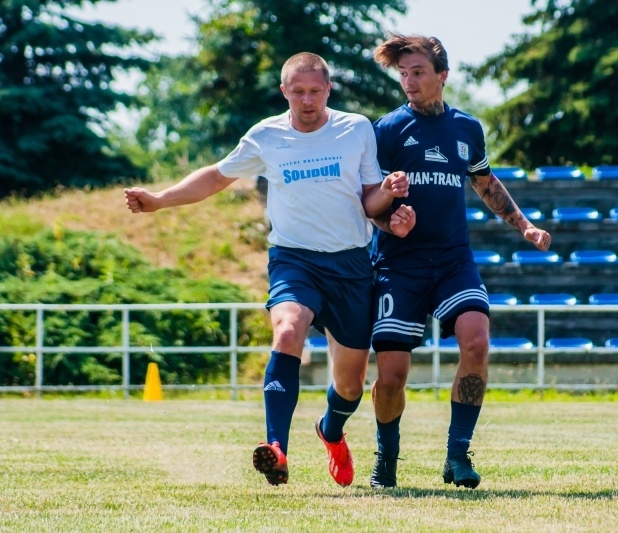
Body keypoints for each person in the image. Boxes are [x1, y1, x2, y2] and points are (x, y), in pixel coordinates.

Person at [124, 52, 415, 488]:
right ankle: (276, 448)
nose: (307, 100)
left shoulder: (355, 129)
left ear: (328, 90)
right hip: (293, 259)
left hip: (352, 264)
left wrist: (389, 198)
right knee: (286, 331)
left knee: (351, 384)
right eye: (298, 92)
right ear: (285, 92)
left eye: (315, 91)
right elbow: (216, 176)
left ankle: (330, 430)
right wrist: (161, 199)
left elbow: (369, 198)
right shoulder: (267, 136)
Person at [367, 34, 552, 489]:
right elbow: (367, 200)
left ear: (442, 76)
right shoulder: (386, 130)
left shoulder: (468, 128)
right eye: (403, 74)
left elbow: (486, 183)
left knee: (476, 342)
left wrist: (524, 225)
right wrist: (392, 218)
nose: (409, 82)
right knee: (391, 375)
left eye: (418, 73)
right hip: (398, 263)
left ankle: (458, 455)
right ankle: (386, 457)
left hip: (452, 259)